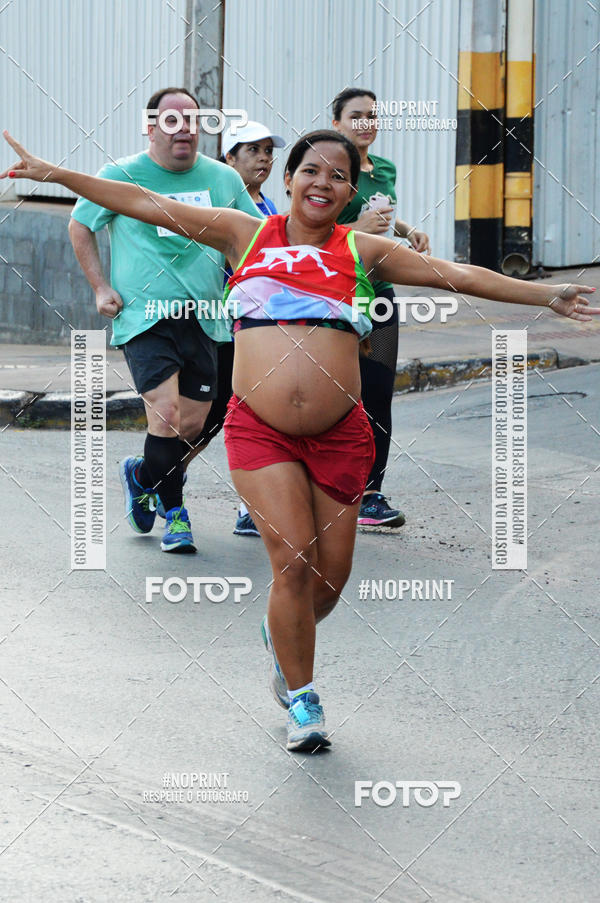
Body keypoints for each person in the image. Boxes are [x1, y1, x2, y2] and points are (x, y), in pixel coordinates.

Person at [5, 128, 596, 752]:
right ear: (288, 180)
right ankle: (303, 700)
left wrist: (545, 294)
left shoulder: (363, 249)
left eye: (338, 176)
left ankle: (281, 635)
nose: (323, 183)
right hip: (259, 432)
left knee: (329, 581)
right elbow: (140, 203)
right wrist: (54, 172)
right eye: (311, 170)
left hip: (340, 436)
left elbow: (457, 275)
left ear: (348, 192)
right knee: (292, 564)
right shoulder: (243, 232)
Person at [68, 87, 261, 553]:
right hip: (145, 314)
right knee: (167, 413)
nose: (185, 130)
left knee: (191, 426)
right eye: (172, 121)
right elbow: (80, 224)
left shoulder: (221, 178)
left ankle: (141, 474)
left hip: (206, 316)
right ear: (150, 127)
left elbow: (256, 236)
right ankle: (176, 515)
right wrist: (100, 287)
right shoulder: (121, 176)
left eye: (193, 121)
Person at [332, 87, 431, 528]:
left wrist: (407, 230)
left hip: (379, 293)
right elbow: (313, 230)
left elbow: (382, 214)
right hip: (333, 294)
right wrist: (357, 227)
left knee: (378, 393)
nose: (365, 124)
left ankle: (371, 493)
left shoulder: (384, 167)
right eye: (355, 116)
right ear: (337, 123)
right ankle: (325, 487)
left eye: (372, 116)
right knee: (332, 393)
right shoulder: (329, 169)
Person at [221, 120, 285, 536]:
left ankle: (252, 507)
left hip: (271, 329)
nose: (264, 158)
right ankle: (158, 477)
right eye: (252, 151)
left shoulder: (273, 208)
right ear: (229, 159)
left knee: (262, 415)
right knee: (224, 420)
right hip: (231, 329)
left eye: (267, 150)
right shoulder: (224, 209)